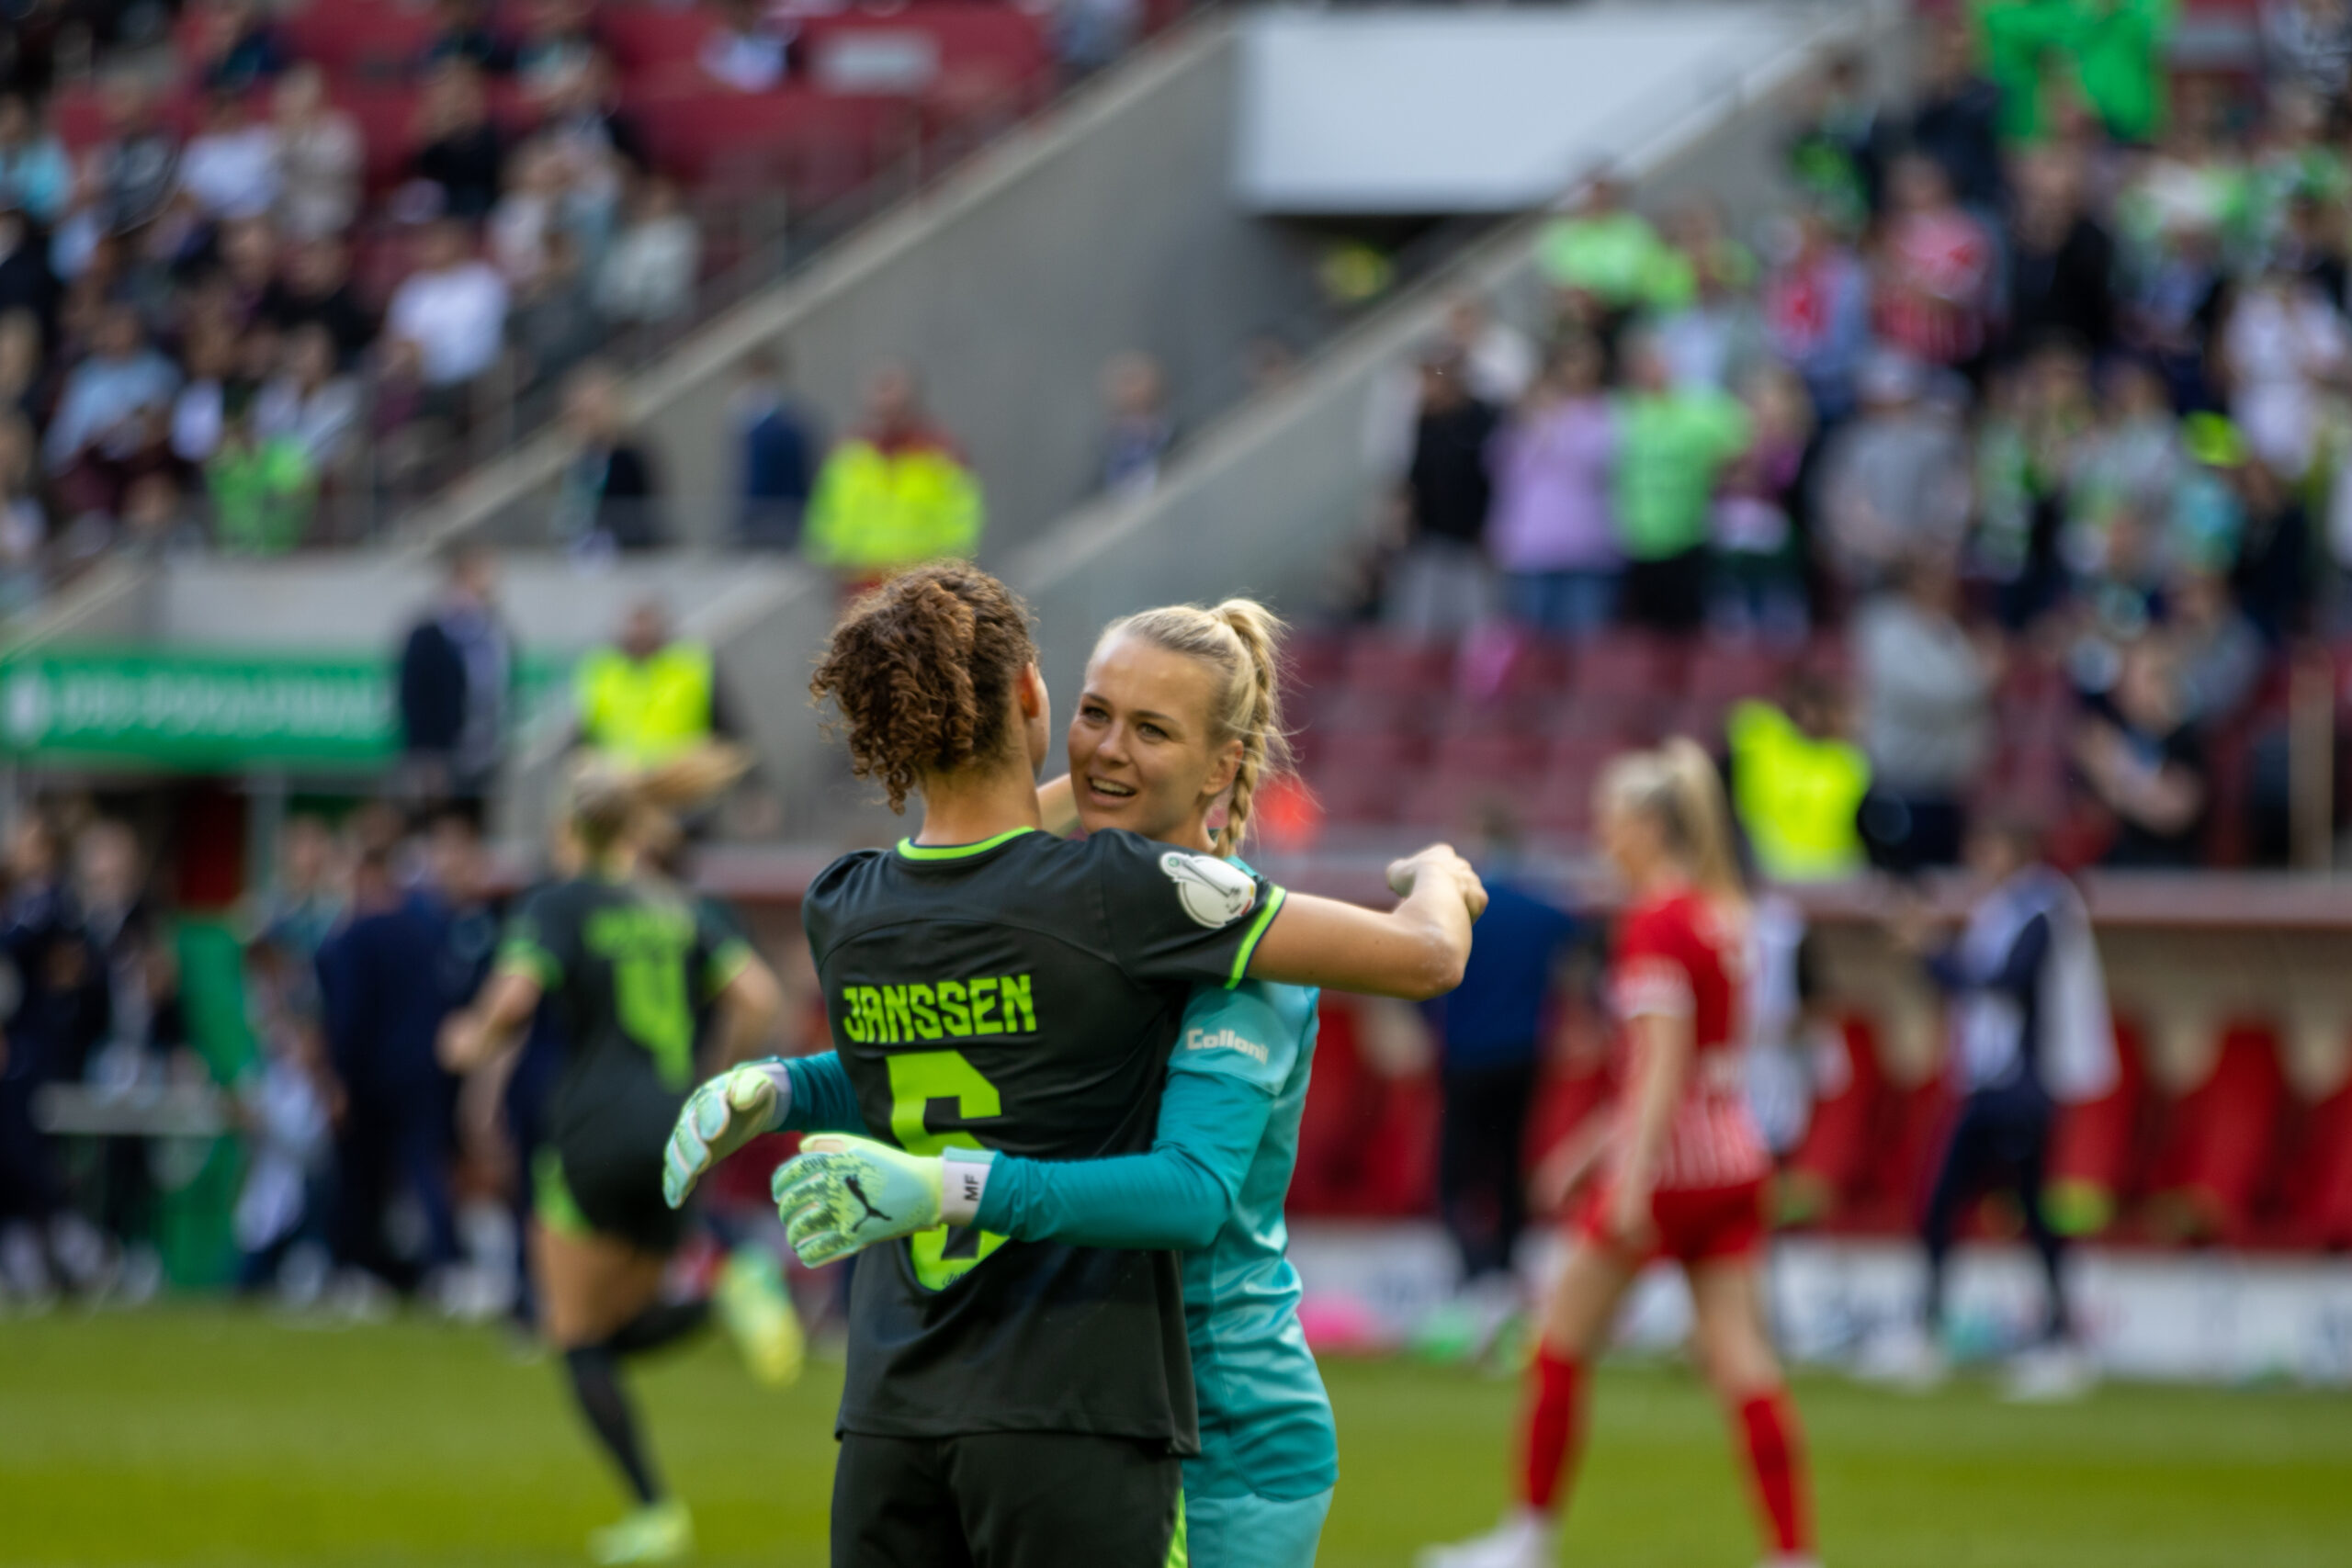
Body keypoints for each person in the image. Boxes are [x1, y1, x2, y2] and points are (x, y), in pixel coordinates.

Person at [657, 562, 1486, 1568]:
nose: (1105, 749)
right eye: (1095, 713)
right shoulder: (1092, 902)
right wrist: (792, 1085)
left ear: (1221, 766)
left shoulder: (1244, 957)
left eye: (1152, 729)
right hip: (1093, 1388)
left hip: (1223, 1411)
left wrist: (1438, 873)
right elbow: (970, 1057)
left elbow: (1191, 1191)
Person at [1421, 741, 1815, 1568]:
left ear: (1647, 826)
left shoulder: (1655, 922)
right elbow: (1698, 1063)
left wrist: (1624, 1179)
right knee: (1745, 1365)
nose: (1601, 834)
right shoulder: (1720, 914)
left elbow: (1660, 1067)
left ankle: (1525, 1538)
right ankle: (1792, 1553)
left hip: (1666, 1174)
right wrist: (1587, 1146)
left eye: (1611, 819)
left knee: (1559, 1345)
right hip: (1734, 1164)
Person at [439, 761, 792, 1564]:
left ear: (570, 828)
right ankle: (727, 1281)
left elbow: (514, 1001)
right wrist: (713, 1082)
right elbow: (758, 996)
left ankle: (655, 1511)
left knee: (574, 1336)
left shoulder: (559, 902)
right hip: (677, 1130)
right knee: (611, 1329)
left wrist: (469, 1041)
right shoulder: (681, 907)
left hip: (592, 1133)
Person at [1884, 813, 2116, 1401]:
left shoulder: (2043, 907)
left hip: (2024, 1085)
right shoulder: (2001, 909)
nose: (1978, 860)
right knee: (1947, 1204)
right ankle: (1932, 1329)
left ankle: (2059, 1339)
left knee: (2026, 1210)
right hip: (1990, 1082)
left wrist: (1931, 950)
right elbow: (1969, 986)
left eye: (1988, 847)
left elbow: (2003, 983)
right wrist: (1929, 956)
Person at [1421, 810, 1576, 1343]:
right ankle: (1505, 1275)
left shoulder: (1460, 912)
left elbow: (1419, 974)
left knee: (1454, 1177)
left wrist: (1427, 1026)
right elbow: (1581, 941)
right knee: (1510, 1167)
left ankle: (1480, 1275)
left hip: (1466, 1058)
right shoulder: (1541, 909)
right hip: (1523, 1057)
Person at [1855, 550, 1997, 872]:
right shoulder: (1886, 628)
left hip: (1949, 794)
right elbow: (1932, 694)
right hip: (1903, 789)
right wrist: (1981, 679)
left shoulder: (1946, 630)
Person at [1612, 332, 1750, 637]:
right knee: (1644, 633)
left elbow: (1743, 450)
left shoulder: (1702, 409)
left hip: (1688, 537)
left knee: (1687, 631)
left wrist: (1720, 477)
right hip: (1634, 541)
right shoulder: (1620, 412)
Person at [1487, 338, 1620, 638]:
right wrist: (1530, 421)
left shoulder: (1608, 412)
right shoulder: (1529, 413)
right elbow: (1501, 468)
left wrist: (1556, 423)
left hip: (1586, 546)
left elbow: (1598, 465)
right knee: (1531, 644)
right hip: (1532, 547)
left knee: (1584, 644)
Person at [802, 363, 984, 579]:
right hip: (861, 581)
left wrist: (947, 567)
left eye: (896, 410)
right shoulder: (848, 454)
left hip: (922, 581)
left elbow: (962, 518)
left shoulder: (941, 453)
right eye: (880, 410)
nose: (887, 418)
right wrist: (833, 561)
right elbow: (824, 517)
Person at [1388, 347, 1500, 637]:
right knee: (1418, 627)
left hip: (1474, 544)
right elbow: (1414, 477)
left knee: (1478, 627)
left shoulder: (1482, 418)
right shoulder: (1423, 421)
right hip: (1429, 539)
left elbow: (1496, 478)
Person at [398, 541, 514, 815]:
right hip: (442, 759)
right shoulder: (428, 636)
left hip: (483, 756)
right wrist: (427, 755)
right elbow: (415, 699)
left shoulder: (494, 633)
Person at [573, 599, 740, 771]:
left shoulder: (689, 666)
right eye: (635, 625)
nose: (640, 633)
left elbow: (726, 727)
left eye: (646, 624)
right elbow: (584, 735)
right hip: (620, 777)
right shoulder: (602, 672)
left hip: (684, 774)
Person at [386, 217, 510, 392]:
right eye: (426, 242)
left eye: (436, 242)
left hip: (471, 380)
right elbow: (396, 335)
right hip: (414, 378)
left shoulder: (484, 281)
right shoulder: (413, 286)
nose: (429, 248)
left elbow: (482, 342)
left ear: (458, 243)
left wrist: (427, 353)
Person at [553, 364, 662, 553]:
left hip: (623, 553)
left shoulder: (628, 459)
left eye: (591, 414)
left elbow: (639, 515)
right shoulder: (577, 460)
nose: (584, 422)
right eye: (579, 415)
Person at [731, 347, 817, 549]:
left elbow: (758, 480)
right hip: (784, 517)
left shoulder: (771, 426)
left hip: (773, 520)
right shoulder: (791, 420)